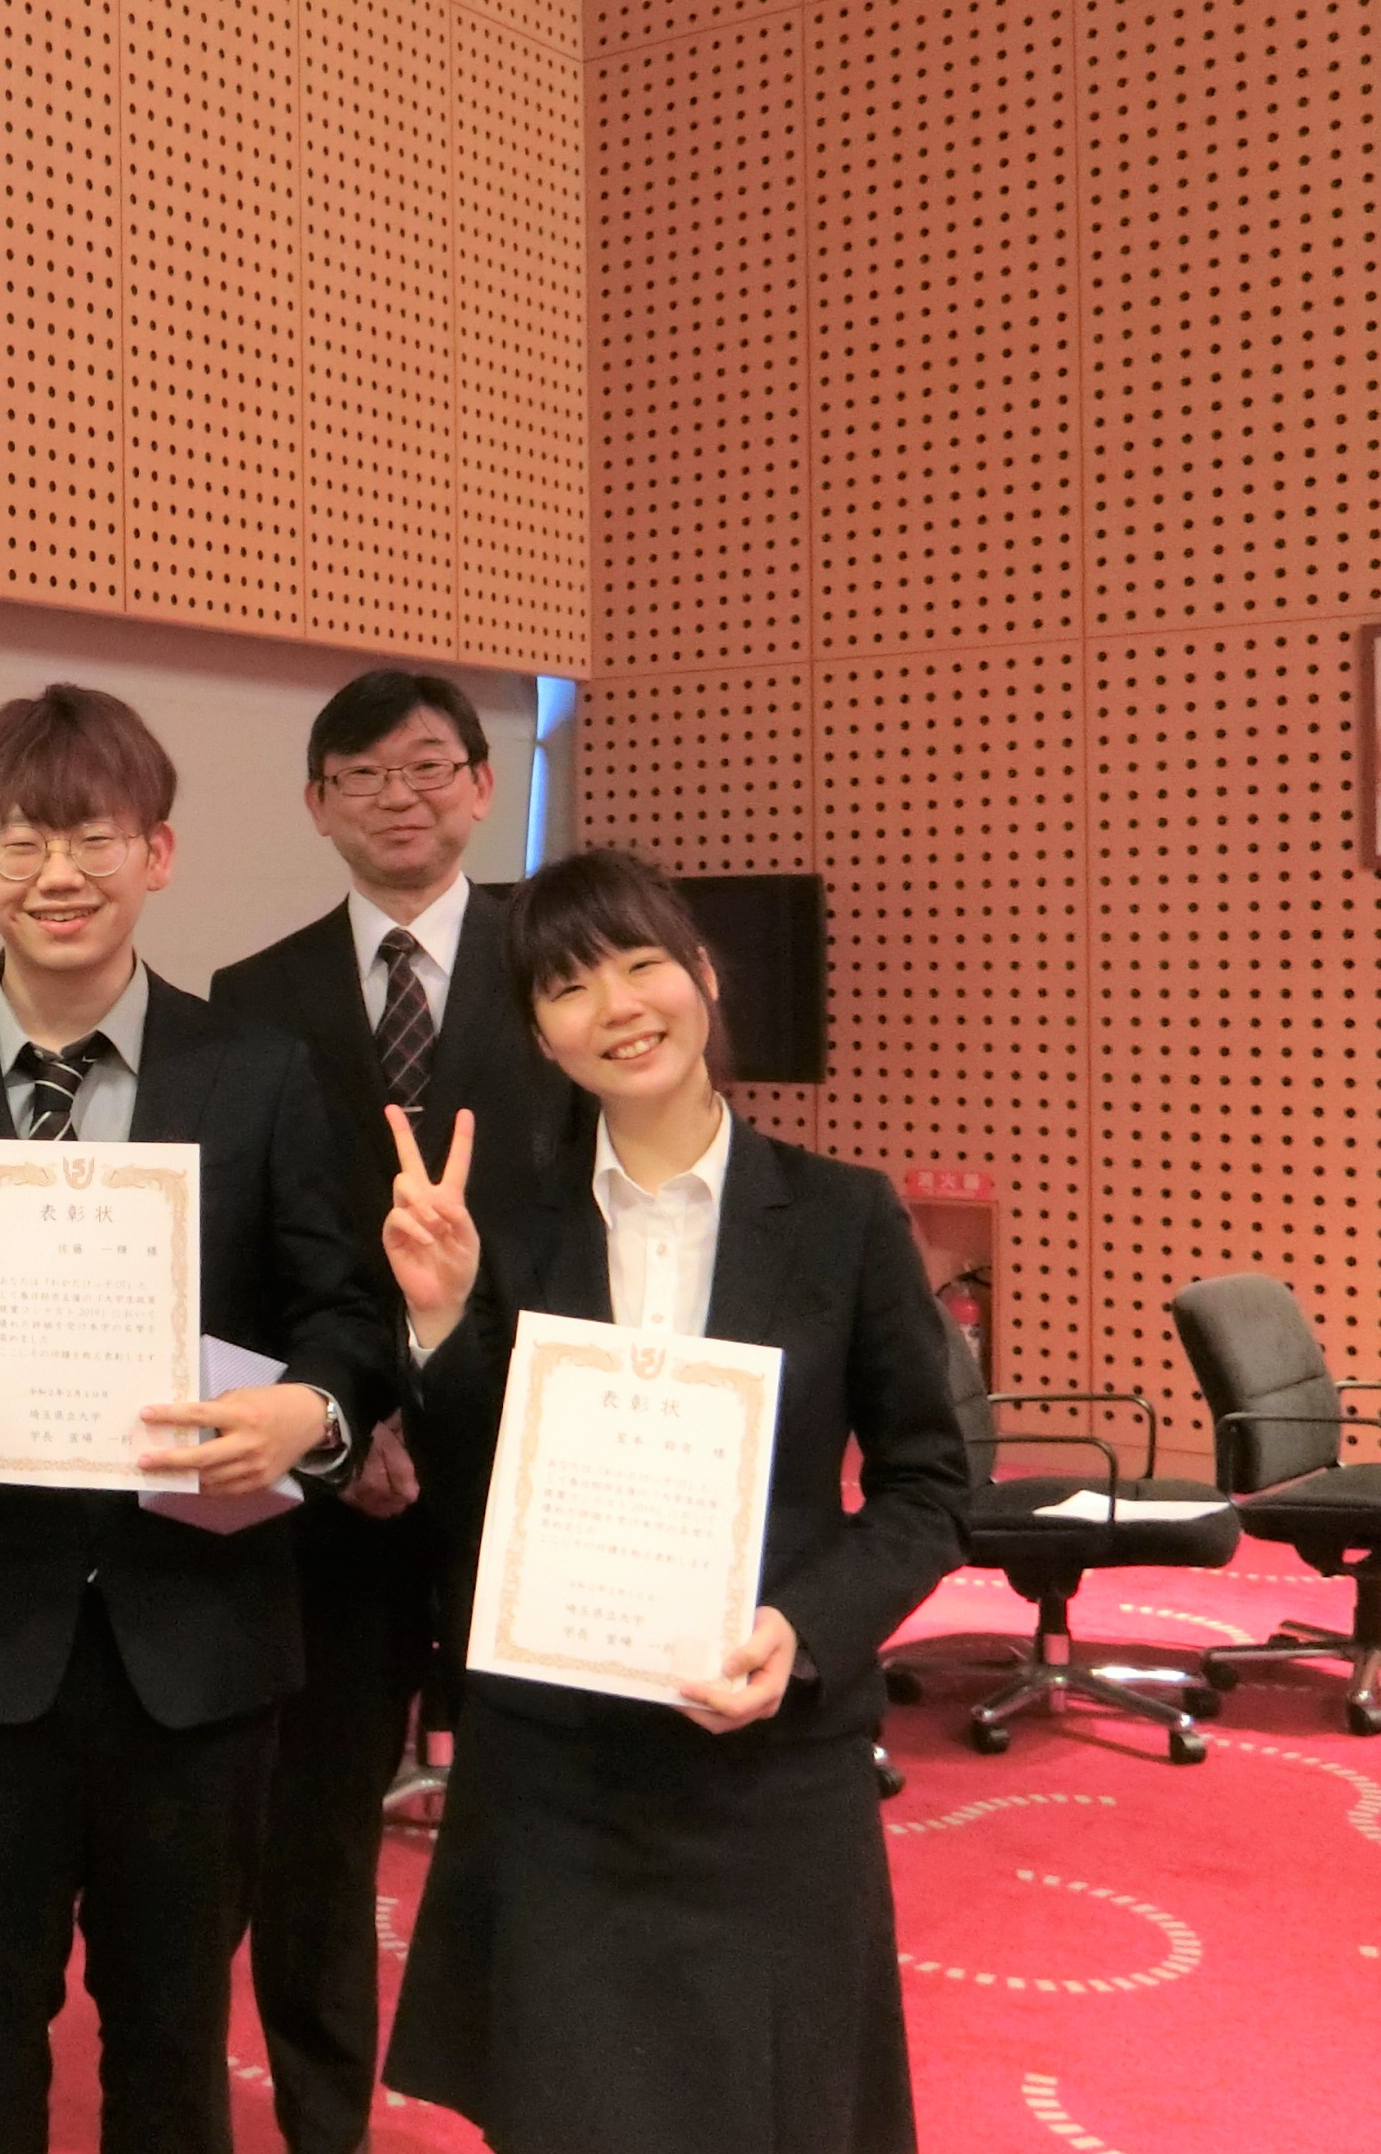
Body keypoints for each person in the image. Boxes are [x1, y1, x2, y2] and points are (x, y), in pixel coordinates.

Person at [0, 682, 396, 2154]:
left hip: (197, 1643)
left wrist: (306, 1413)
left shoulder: (256, 1073)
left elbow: (345, 1314)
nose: (56, 874)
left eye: (93, 837)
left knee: (175, 2032)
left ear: (158, 854)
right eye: (19, 842)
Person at [377, 848, 969, 2154]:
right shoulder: (510, 1229)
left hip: (764, 1756)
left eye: (642, 963)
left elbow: (929, 1488)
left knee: (772, 2105)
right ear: (540, 1032)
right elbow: (474, 1487)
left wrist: (802, 1634)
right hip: (559, 1766)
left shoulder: (842, 1218)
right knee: (568, 2107)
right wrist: (444, 1320)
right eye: (569, 985)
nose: (618, 1006)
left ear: (703, 977)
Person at [205, 668, 573, 2154]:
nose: (396, 798)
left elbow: (589, 1221)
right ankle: (324, 2124)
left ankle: (553, 2100)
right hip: (336, 1494)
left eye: (426, 767)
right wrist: (345, 1431)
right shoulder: (254, 994)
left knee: (547, 1815)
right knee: (312, 1835)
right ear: (317, 806)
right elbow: (252, 1252)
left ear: (483, 786)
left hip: (529, 1472)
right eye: (359, 776)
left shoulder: (562, 964)